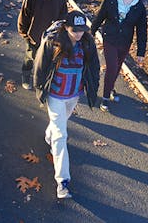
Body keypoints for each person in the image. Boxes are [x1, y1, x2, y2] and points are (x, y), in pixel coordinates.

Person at [32, 10, 99, 200]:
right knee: (61, 135)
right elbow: (39, 66)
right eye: (74, 30)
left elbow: (93, 66)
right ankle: (62, 182)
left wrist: (94, 87)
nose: (78, 34)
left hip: (73, 95)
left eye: (81, 30)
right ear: (66, 27)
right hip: (55, 95)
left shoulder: (87, 42)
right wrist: (39, 90)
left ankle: (49, 136)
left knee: (58, 125)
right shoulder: (53, 42)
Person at [90, 0, 147, 111]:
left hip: (125, 42)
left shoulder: (139, 7)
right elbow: (99, 18)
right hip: (109, 38)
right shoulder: (110, 1)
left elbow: (141, 30)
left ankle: (110, 88)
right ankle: (104, 98)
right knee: (111, 67)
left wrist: (141, 52)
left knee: (117, 67)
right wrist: (90, 33)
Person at [16, 0, 69, 89]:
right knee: (30, 57)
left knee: (48, 59)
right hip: (33, 35)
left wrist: (61, 28)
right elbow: (24, 16)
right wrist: (25, 34)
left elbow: (63, 12)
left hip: (52, 36)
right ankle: (26, 75)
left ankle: (43, 80)